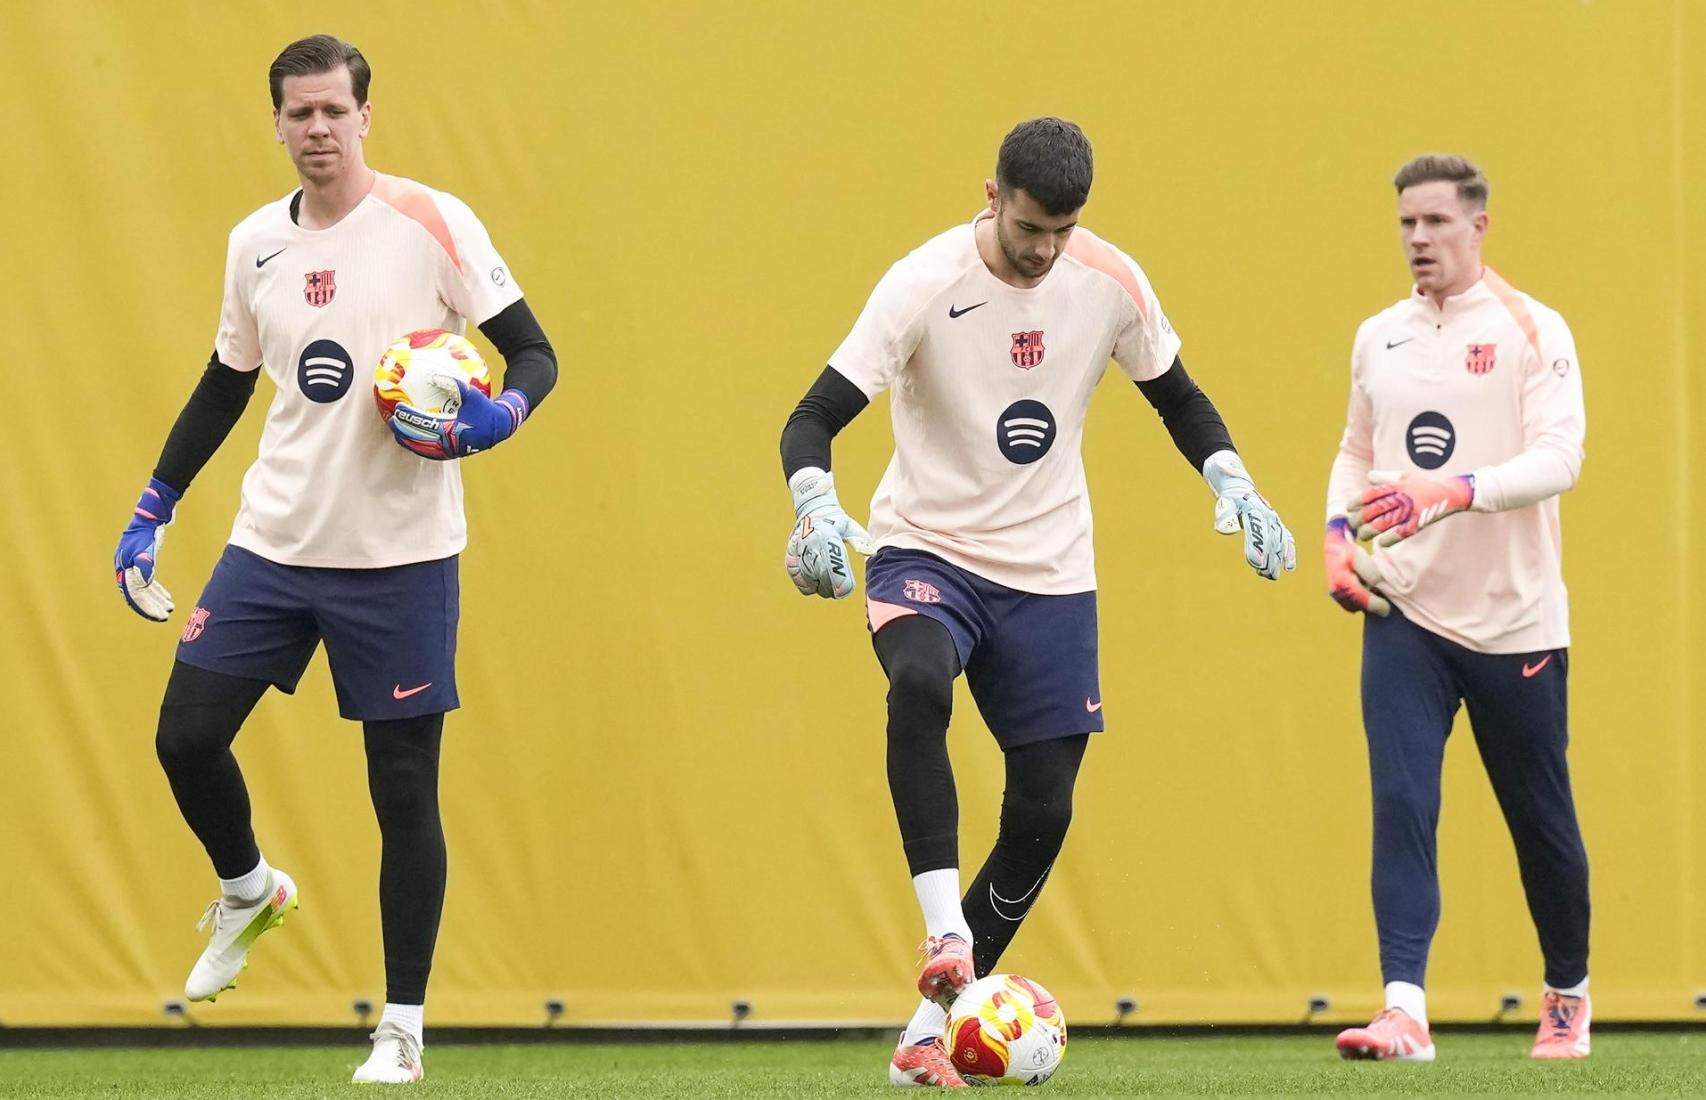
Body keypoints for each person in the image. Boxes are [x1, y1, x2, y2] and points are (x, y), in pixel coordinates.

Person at [780, 117, 1297, 1088]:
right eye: (1028, 227)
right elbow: (811, 416)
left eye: (1061, 230)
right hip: (924, 546)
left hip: (1050, 569)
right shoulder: (922, 283)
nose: (1044, 249)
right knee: (918, 687)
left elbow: (1177, 397)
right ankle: (947, 934)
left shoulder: (1107, 282)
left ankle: (925, 1030)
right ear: (990, 196)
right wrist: (813, 502)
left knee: (1043, 809)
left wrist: (1233, 482)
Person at [111, 34, 557, 1085]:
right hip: (273, 542)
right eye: (297, 114)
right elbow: (226, 382)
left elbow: (536, 349)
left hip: (400, 557)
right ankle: (250, 886)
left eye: (333, 112)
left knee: (402, 790)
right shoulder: (254, 243)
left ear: (365, 117)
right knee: (184, 737)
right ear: (275, 122)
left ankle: (400, 1024)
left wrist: (498, 415)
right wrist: (153, 505)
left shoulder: (429, 223)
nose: (317, 130)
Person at [1325, 154, 1590, 1062]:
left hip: (1514, 621)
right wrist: (1335, 536)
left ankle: (1567, 992)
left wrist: (1456, 490)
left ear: (1479, 225)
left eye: (1435, 222)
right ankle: (1405, 1009)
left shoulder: (1533, 329)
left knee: (1539, 819)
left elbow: (1561, 458)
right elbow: (1357, 450)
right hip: (1405, 614)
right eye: (1406, 223)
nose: (1417, 240)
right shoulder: (1379, 335)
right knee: (1402, 802)